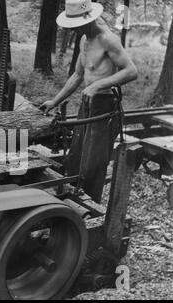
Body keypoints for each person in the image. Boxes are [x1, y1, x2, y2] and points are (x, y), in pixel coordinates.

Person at [41, 0, 137, 203]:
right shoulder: (84, 39)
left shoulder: (107, 38)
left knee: (94, 162)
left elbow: (131, 71)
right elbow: (77, 75)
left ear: (88, 18)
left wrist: (97, 85)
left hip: (105, 107)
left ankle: (89, 207)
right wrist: (54, 101)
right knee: (76, 155)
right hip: (88, 105)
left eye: (76, 24)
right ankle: (69, 199)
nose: (74, 29)